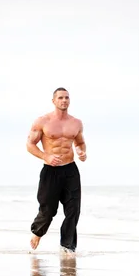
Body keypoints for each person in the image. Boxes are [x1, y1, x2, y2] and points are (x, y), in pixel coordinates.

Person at [26, 87, 86, 254]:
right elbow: (30, 145)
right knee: (48, 210)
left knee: (73, 209)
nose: (64, 100)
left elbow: (80, 143)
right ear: (54, 101)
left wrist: (81, 151)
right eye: (60, 97)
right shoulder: (42, 121)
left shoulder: (76, 123)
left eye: (66, 97)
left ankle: (67, 248)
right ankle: (37, 232)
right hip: (50, 171)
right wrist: (46, 157)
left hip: (70, 170)